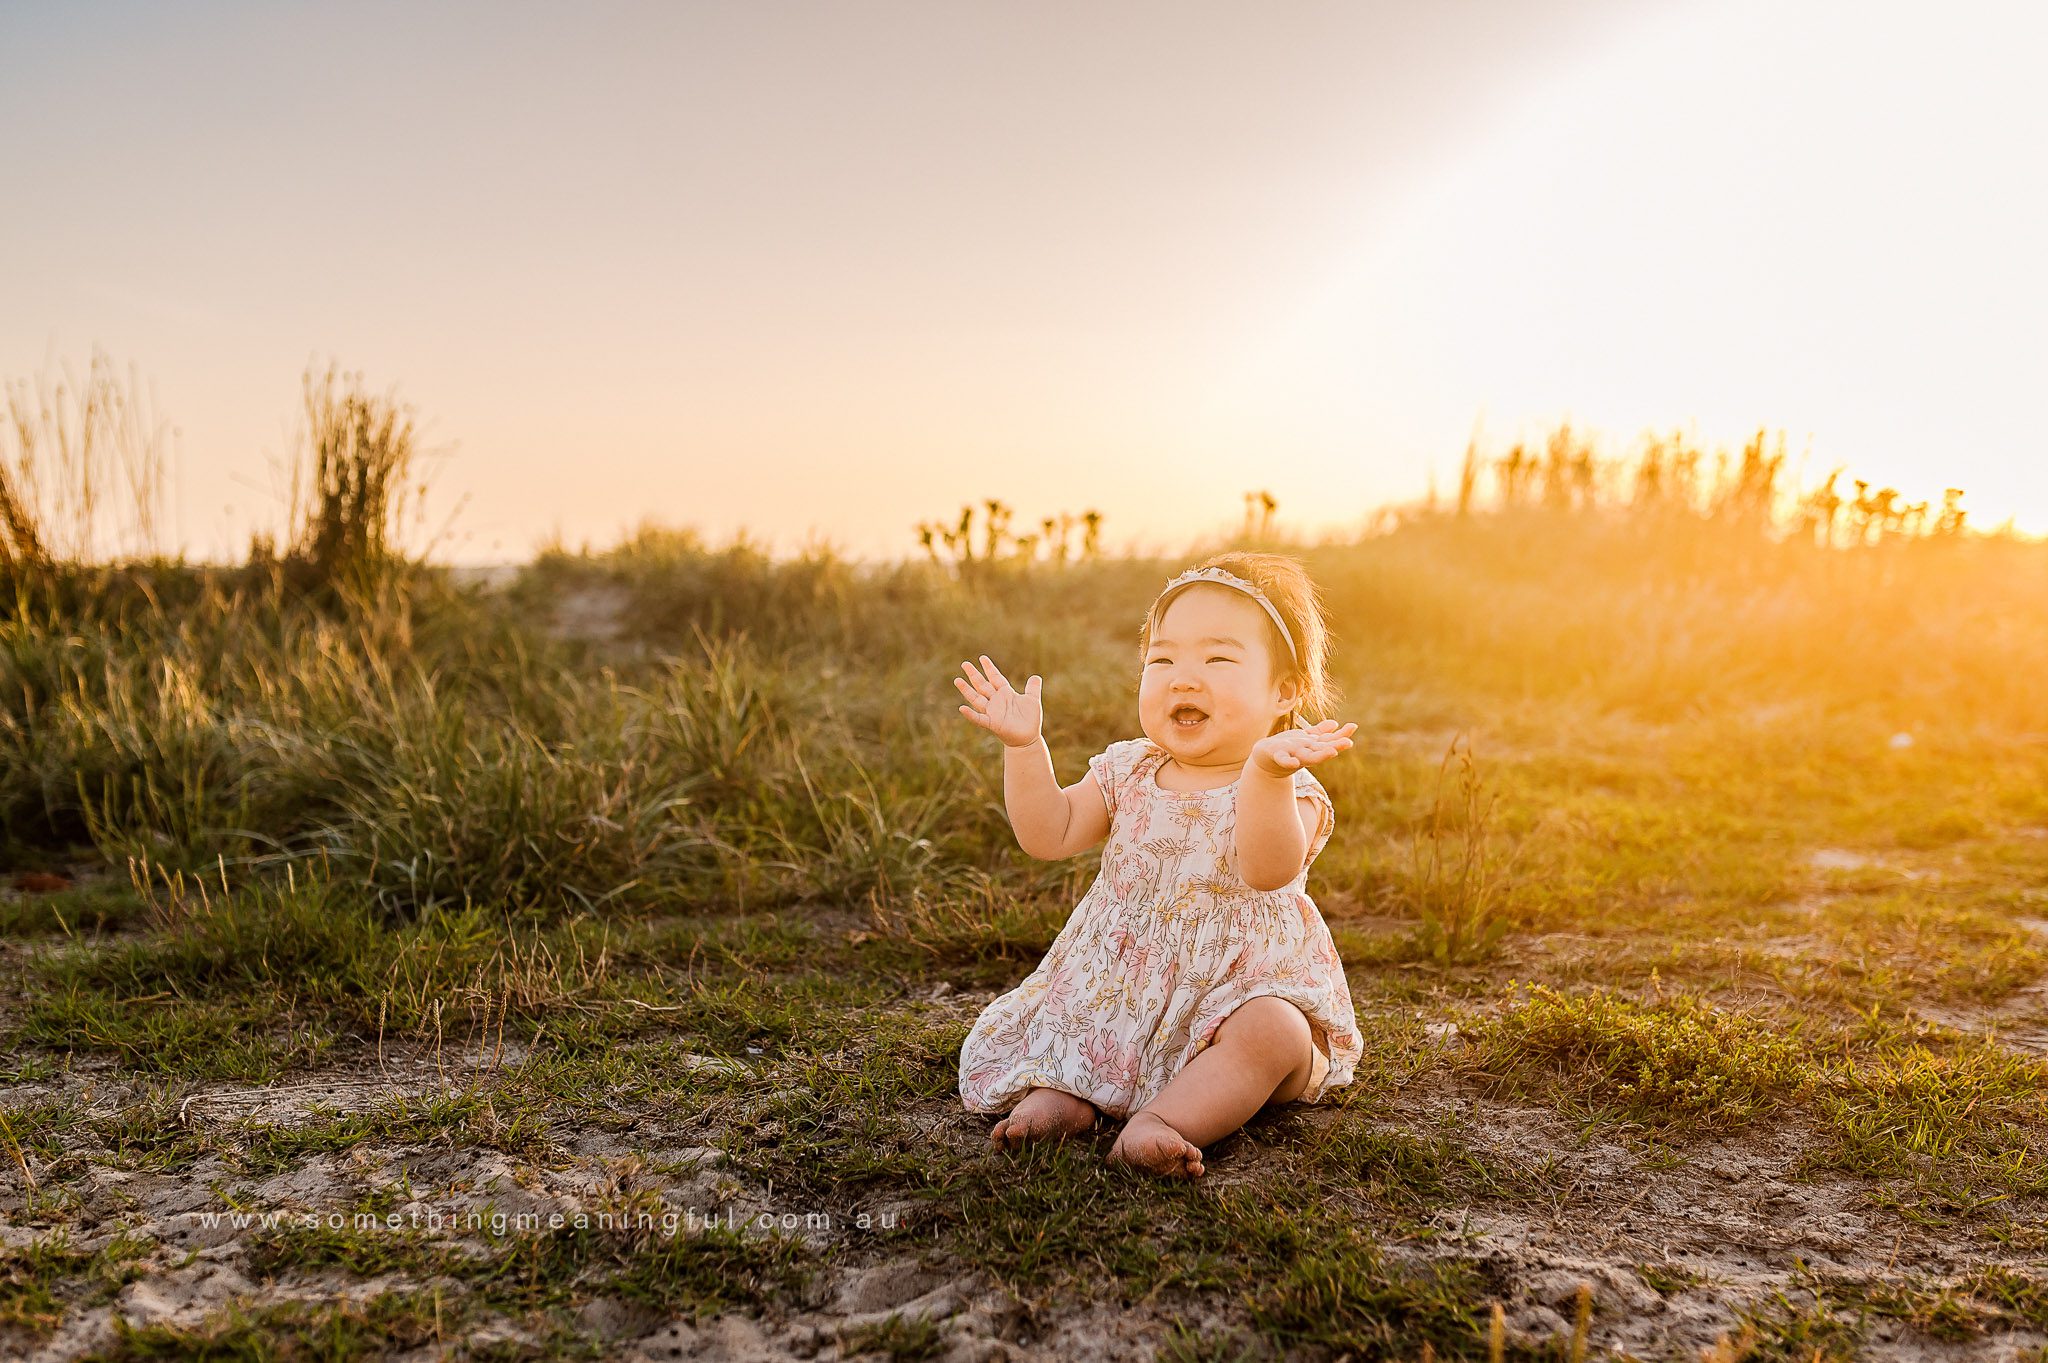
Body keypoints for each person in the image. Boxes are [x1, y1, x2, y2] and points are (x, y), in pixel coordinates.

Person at [952, 550, 1363, 1179]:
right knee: (1076, 1013)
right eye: (1162, 658)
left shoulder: (1290, 788)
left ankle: (1164, 1119)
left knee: (1275, 1033)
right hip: (1127, 986)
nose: (1183, 677)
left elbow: (1266, 868)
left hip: (1238, 989)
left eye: (1219, 658)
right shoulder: (1130, 769)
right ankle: (1069, 1096)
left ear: (1283, 692)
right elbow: (1050, 833)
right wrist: (1025, 748)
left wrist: (1265, 775)